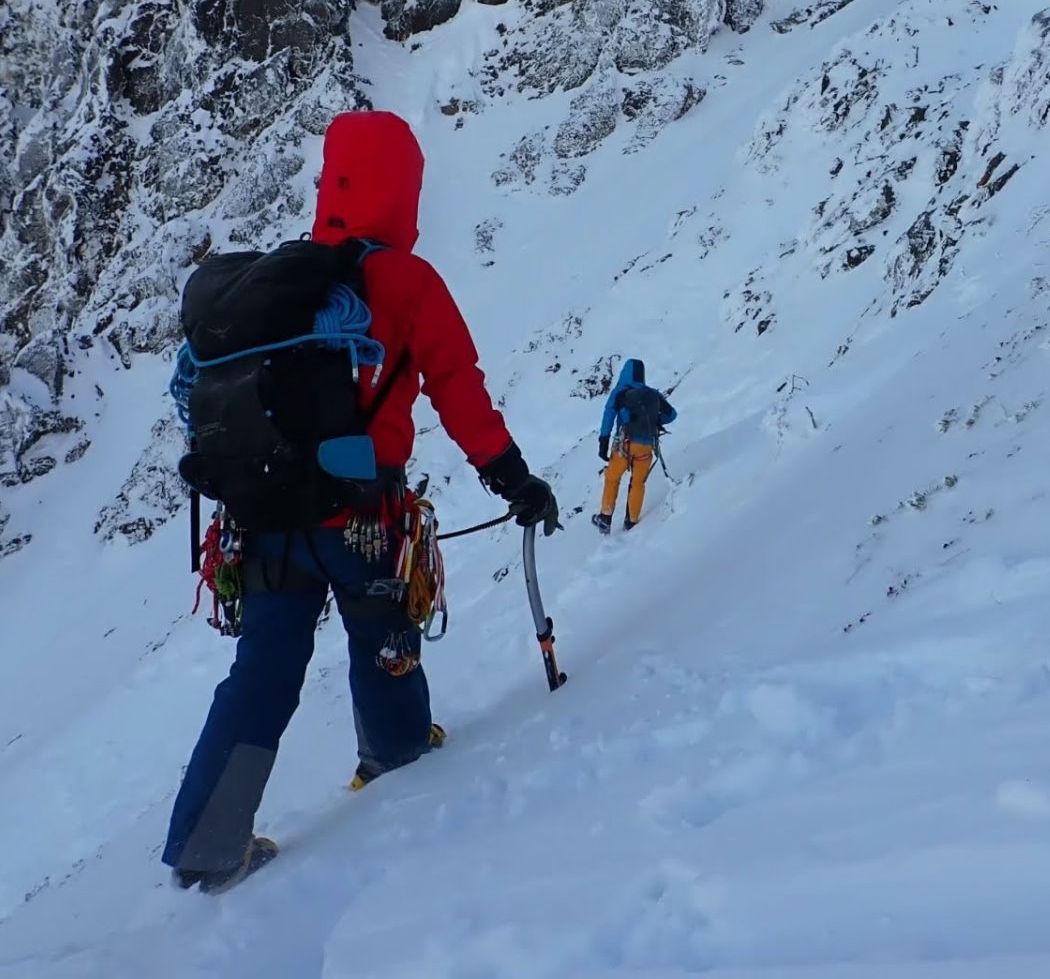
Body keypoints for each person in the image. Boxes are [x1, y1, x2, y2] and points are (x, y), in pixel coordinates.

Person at [162, 110, 559, 894]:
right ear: (404, 190)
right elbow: (460, 395)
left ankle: (206, 843)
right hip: (364, 521)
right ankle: (397, 765)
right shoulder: (405, 282)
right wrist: (517, 481)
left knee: (261, 675)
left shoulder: (286, 279)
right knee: (385, 644)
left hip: (266, 520)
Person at [594, 359, 676, 534]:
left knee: (612, 478)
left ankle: (605, 517)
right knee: (638, 483)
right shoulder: (652, 394)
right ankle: (631, 521)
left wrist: (603, 441)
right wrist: (655, 422)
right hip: (646, 447)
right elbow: (672, 415)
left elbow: (609, 414)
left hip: (625, 444)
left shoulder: (620, 392)